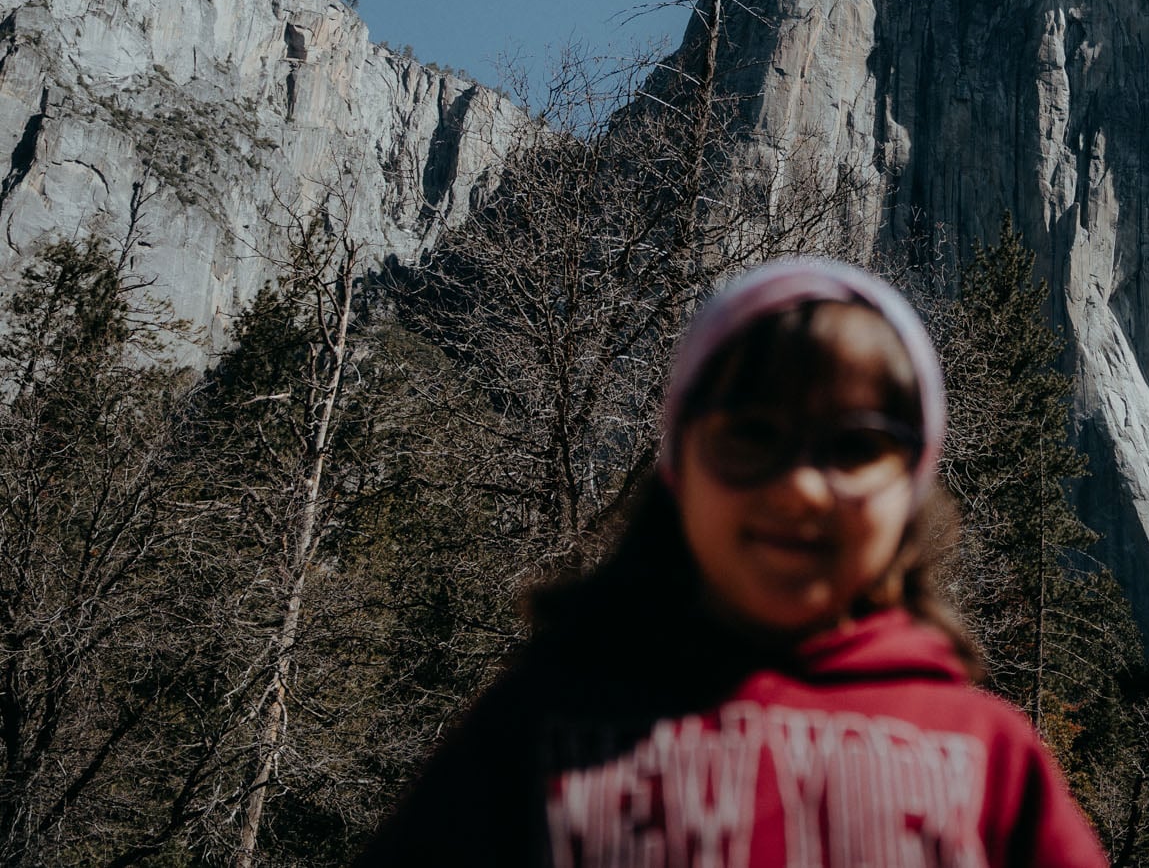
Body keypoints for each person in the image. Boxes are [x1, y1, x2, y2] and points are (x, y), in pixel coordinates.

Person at [358, 258, 1109, 867]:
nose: (801, 486)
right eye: (751, 435)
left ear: (915, 482)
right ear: (677, 461)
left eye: (856, 445)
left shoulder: (988, 756)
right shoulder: (542, 721)